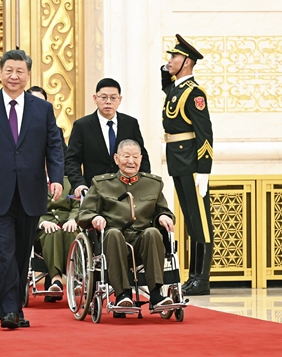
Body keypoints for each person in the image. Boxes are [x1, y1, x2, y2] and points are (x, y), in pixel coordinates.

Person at [0, 49, 65, 330]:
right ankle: (8, 310)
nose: (14, 76)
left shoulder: (42, 108)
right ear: (0, 72)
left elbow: (54, 146)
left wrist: (55, 177)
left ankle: (17, 306)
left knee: (22, 253)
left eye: (20, 71)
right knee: (3, 251)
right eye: (9, 70)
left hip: (31, 190)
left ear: (28, 75)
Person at [77, 139, 176, 311]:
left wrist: (164, 217)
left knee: (153, 232)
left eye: (135, 157)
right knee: (113, 233)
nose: (131, 161)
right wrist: (94, 218)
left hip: (142, 241)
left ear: (141, 158)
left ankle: (156, 294)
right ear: (116, 159)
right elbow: (84, 214)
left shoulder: (153, 184)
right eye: (126, 156)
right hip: (113, 242)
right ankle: (123, 294)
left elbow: (163, 210)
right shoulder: (101, 184)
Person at [161, 34, 214, 296]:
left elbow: (205, 132)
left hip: (192, 164)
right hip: (178, 162)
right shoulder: (176, 89)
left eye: (174, 56)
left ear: (188, 62)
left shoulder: (194, 94)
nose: (169, 60)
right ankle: (192, 276)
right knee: (191, 221)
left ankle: (201, 279)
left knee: (201, 221)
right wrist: (169, 69)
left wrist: (204, 169)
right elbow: (166, 83)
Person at [66, 78, 151, 200]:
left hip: (126, 190)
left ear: (120, 99)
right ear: (95, 98)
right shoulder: (82, 126)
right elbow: (72, 160)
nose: (108, 102)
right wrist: (79, 184)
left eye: (113, 98)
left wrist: (144, 182)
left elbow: (142, 155)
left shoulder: (130, 123)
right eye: (103, 97)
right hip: (94, 191)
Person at [37, 176, 78, 301]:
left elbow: (76, 205)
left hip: (67, 223)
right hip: (44, 227)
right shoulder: (32, 181)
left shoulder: (68, 182)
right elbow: (28, 208)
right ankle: (56, 280)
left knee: (72, 232)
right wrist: (43, 222)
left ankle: (75, 278)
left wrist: (72, 219)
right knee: (52, 232)